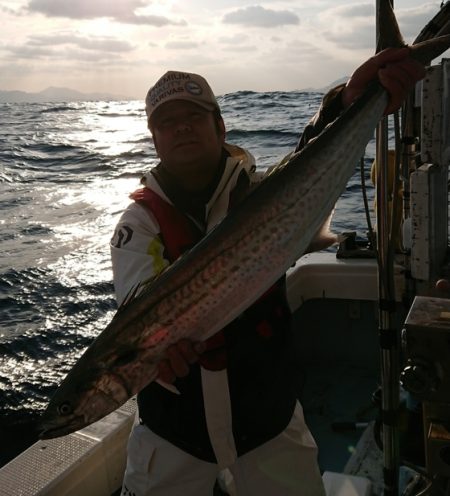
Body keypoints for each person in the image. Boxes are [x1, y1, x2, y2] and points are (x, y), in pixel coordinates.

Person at [110, 48, 426, 496]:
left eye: (194, 116)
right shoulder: (138, 224)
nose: (181, 126)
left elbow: (305, 164)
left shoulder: (259, 193)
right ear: (155, 140)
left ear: (220, 127)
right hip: (173, 437)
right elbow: (138, 299)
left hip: (270, 426)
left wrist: (347, 104)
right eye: (166, 121)